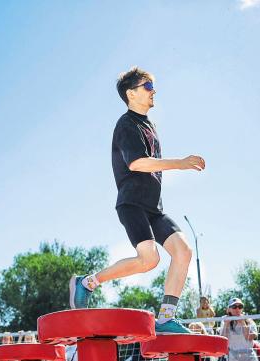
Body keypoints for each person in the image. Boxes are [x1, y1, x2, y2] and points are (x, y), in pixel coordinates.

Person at [69, 66, 204, 335]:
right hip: (131, 203)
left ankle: (165, 318)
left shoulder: (149, 125)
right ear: (131, 93)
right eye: (148, 86)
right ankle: (87, 283)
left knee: (184, 251)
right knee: (149, 260)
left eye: (153, 86)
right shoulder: (126, 124)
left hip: (154, 208)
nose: (154, 91)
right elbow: (137, 163)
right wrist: (181, 163)